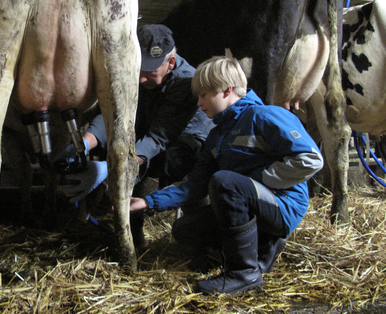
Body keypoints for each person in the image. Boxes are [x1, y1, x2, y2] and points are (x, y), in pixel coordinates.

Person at [130, 55, 324, 295]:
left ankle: (243, 273)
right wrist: (148, 201)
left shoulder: (264, 116)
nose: (199, 103)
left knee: (225, 181)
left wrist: (260, 177)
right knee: (184, 229)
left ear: (226, 90)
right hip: (250, 203)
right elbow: (194, 186)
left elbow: (311, 159)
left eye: (204, 95)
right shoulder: (217, 136)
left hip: (283, 205)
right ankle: (259, 247)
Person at [55, 24, 214, 203]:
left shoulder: (186, 83)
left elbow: (158, 137)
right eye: (138, 68)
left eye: (151, 70)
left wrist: (111, 168)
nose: (141, 79)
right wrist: (84, 144)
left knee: (173, 159)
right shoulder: (133, 72)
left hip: (183, 144)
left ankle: (191, 204)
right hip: (150, 133)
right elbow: (115, 113)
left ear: (170, 62)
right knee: (123, 148)